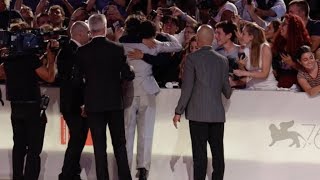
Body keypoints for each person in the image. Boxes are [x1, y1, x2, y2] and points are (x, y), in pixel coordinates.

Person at [119, 18, 182, 180]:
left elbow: (121, 38)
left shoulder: (123, 44)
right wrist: (163, 33)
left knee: (127, 131)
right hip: (147, 89)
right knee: (146, 131)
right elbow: (178, 46)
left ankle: (125, 167)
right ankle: (143, 168)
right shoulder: (153, 44)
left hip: (129, 91)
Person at [77, 14, 133, 180]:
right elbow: (127, 74)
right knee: (120, 146)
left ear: (90, 30)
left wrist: (84, 101)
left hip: (93, 106)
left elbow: (78, 80)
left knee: (99, 149)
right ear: (105, 27)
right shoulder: (117, 48)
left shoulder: (82, 51)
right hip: (114, 104)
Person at [173, 24, 232, 180]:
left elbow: (187, 89)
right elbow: (227, 91)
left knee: (199, 156)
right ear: (212, 39)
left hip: (198, 115)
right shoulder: (223, 60)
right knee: (218, 154)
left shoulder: (192, 58)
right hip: (217, 115)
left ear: (198, 40)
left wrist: (178, 111)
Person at [0, 22, 57, 180]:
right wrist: (51, 59)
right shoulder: (31, 60)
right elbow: (50, 77)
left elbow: (2, 73)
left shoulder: (9, 61)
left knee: (18, 146)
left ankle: (17, 177)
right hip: (32, 109)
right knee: (33, 149)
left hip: (16, 108)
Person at [57, 21, 90, 180]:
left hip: (71, 103)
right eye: (88, 33)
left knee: (78, 139)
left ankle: (73, 173)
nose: (90, 36)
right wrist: (83, 103)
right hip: (74, 104)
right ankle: (66, 174)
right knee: (77, 139)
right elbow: (75, 81)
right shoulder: (71, 51)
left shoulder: (68, 50)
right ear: (79, 34)